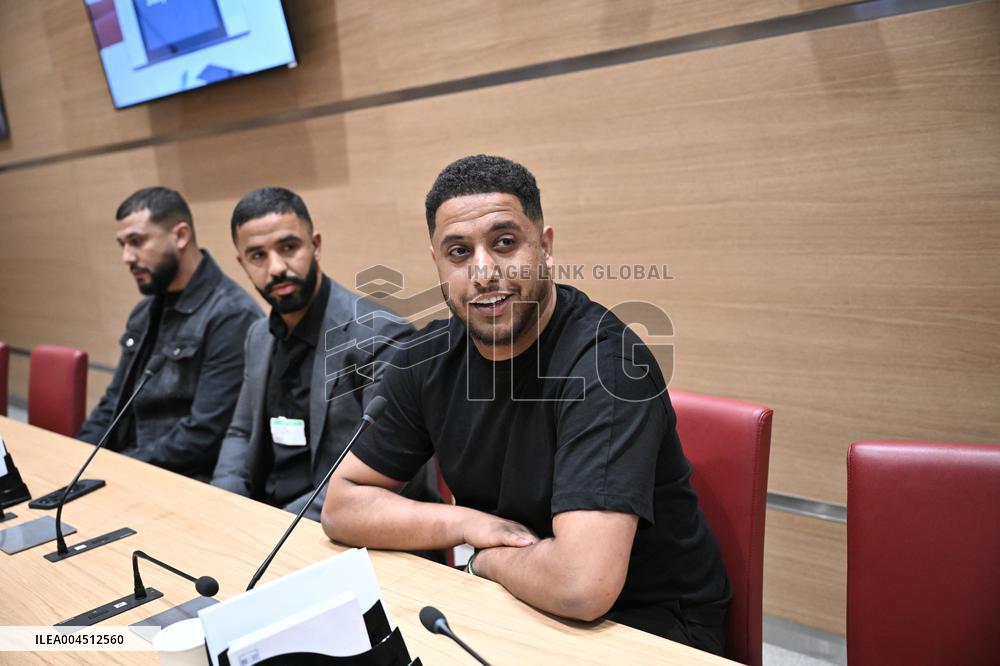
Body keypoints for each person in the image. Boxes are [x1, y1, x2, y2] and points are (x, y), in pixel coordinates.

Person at [321, 155, 731, 654]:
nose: (483, 271)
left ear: (546, 247)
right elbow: (341, 508)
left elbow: (581, 585)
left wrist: (483, 559)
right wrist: (469, 525)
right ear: (438, 265)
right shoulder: (425, 358)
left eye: (505, 243)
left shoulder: (608, 367)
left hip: (648, 628)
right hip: (516, 602)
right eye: (458, 251)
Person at [211, 187, 423, 522]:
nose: (276, 267)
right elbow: (240, 433)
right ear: (242, 263)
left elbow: (385, 471)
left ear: (316, 245)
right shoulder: (257, 335)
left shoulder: (378, 335)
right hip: (268, 518)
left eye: (288, 247)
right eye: (257, 256)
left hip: (351, 531)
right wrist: (225, 507)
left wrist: (274, 526)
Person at [78, 187, 262, 481]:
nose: (127, 257)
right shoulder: (144, 311)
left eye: (137, 242)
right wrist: (76, 457)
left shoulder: (232, 315)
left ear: (180, 236)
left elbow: (204, 434)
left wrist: (113, 468)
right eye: (122, 245)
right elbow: (114, 403)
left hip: (181, 481)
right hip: (126, 468)